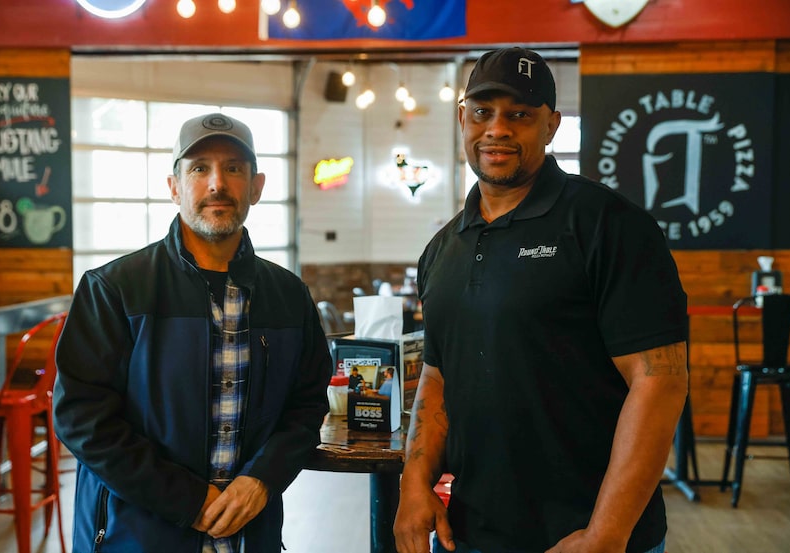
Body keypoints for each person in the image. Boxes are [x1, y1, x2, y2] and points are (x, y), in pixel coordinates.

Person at [393, 47, 688, 553]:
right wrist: (414, 483)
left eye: (520, 115)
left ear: (550, 126)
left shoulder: (609, 225)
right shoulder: (441, 249)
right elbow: (438, 379)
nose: (498, 129)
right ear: (463, 118)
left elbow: (659, 381)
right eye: (483, 112)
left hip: (588, 536)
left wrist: (607, 533)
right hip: (470, 533)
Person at [53, 113, 332, 552]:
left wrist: (262, 480)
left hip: (249, 534)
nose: (217, 183)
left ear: (256, 187)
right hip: (137, 535)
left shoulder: (289, 296)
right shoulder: (115, 289)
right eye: (199, 168)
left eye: (234, 168)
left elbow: (307, 405)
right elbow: (82, 418)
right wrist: (188, 499)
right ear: (174, 186)